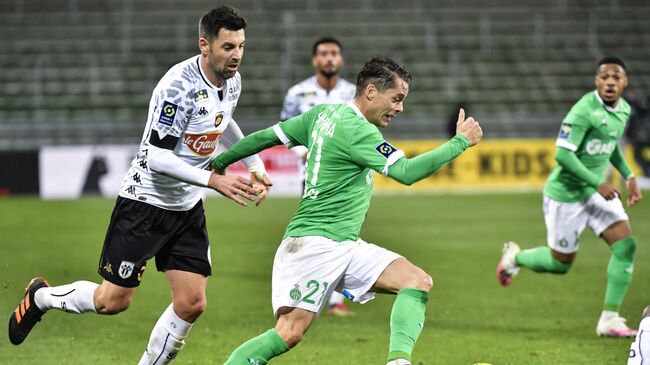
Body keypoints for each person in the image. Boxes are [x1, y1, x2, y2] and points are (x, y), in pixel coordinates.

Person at [8, 5, 270, 364]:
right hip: (145, 202)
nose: (237, 55)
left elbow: (222, 120)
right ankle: (41, 298)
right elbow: (156, 157)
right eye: (228, 47)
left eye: (241, 46)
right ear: (204, 45)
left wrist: (254, 162)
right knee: (112, 301)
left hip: (186, 206)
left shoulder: (232, 80)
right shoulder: (177, 87)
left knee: (192, 303)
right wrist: (214, 180)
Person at [212, 56, 483, 365]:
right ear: (370, 92)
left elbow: (265, 137)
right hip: (314, 245)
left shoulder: (322, 115)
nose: (399, 108)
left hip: (344, 243)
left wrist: (221, 162)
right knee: (288, 332)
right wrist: (459, 143)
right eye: (396, 99)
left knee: (415, 280)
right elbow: (406, 172)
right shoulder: (358, 131)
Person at [497, 56, 642, 338]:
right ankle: (516, 257)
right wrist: (597, 182)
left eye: (616, 77)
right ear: (596, 81)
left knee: (626, 246)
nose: (610, 82)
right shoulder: (583, 111)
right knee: (560, 264)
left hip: (597, 193)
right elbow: (562, 154)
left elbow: (610, 146)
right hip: (566, 196)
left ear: (625, 82)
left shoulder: (623, 109)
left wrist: (629, 176)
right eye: (604, 77)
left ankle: (609, 319)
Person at [280, 36, 356, 316]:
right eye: (324, 53)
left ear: (341, 59)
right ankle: (299, 292)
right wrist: (304, 152)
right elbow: (287, 131)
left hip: (346, 179)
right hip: (311, 177)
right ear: (315, 59)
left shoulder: (353, 94)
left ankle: (336, 299)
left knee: (343, 235)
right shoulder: (297, 94)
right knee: (314, 236)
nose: (329, 58)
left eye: (334, 53)